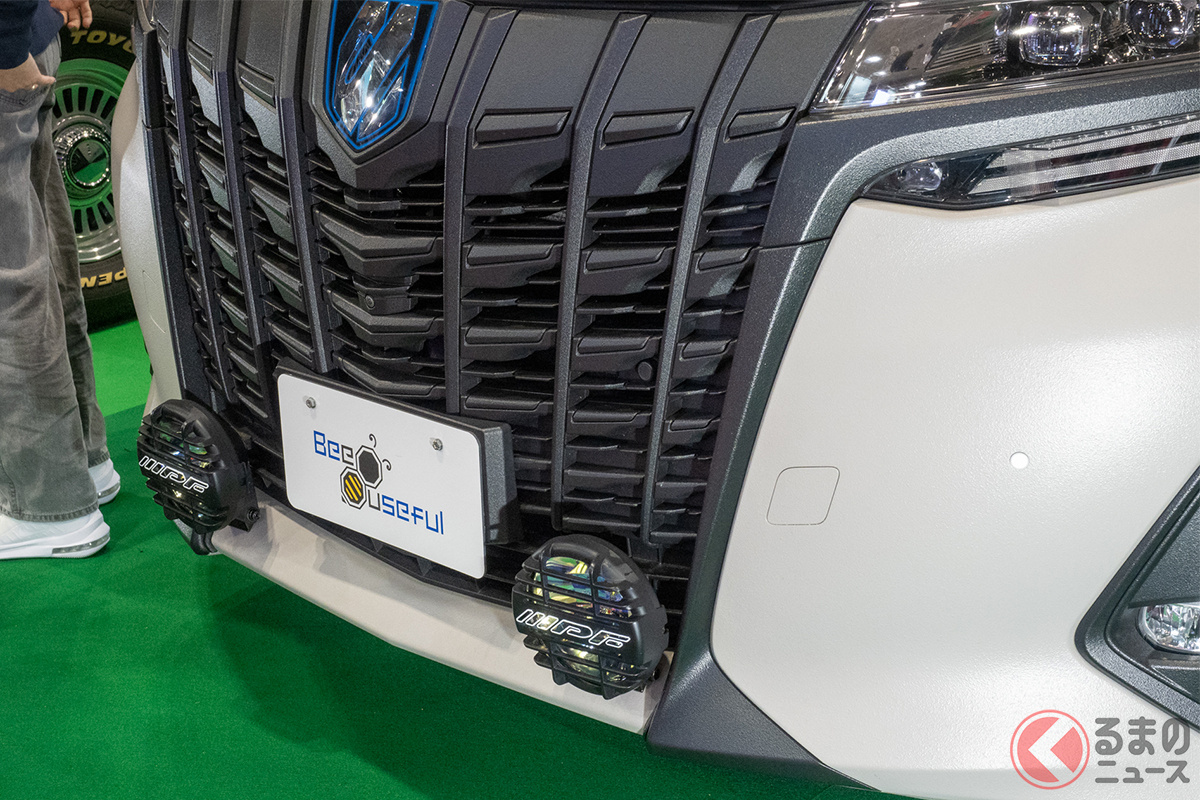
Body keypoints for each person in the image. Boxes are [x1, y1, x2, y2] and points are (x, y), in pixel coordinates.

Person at [0, 0, 120, 560]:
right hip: (24, 36)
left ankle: (48, 505)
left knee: (11, 287)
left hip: (8, 50)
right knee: (41, 258)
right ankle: (84, 463)